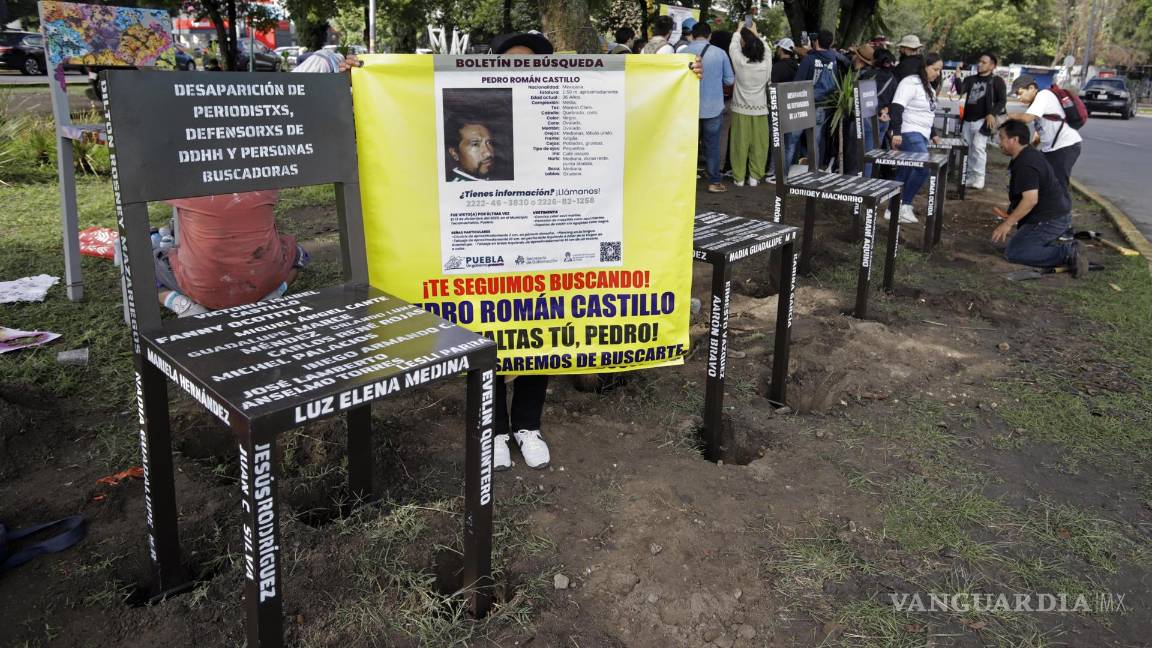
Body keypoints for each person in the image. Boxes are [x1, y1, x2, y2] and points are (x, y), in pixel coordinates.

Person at [991, 120, 1087, 275]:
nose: (998, 141)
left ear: (1014, 140)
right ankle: (1055, 248)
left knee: (1015, 253)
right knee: (1017, 246)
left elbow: (1030, 200)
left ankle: (1068, 252)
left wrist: (1008, 224)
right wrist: (1013, 212)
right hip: (1049, 216)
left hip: (1050, 220)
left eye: (1001, 137)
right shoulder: (1026, 154)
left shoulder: (1026, 164)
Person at [1004, 75, 1082, 195]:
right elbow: (1040, 131)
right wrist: (1031, 148)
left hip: (1065, 146)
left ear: (1031, 88)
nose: (1019, 98)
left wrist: (1007, 116)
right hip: (1051, 149)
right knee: (1042, 178)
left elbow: (1026, 118)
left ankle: (1062, 212)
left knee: (1058, 184)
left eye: (1020, 93)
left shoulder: (1043, 95)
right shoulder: (1036, 103)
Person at [889, 52, 943, 223]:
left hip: (921, 134)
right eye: (935, 69)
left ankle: (892, 210)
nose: (938, 73)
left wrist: (933, 133)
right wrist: (896, 132)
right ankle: (905, 204)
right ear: (925, 66)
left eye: (940, 70)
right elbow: (896, 107)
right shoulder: (910, 82)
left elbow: (927, 112)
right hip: (908, 132)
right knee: (923, 167)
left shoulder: (929, 87)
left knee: (905, 170)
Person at [683, 21, 735, 193]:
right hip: (713, 107)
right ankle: (714, 182)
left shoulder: (682, 53)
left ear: (692, 34)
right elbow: (729, 80)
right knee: (712, 146)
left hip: (687, 108)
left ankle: (684, 182)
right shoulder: (720, 53)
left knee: (687, 145)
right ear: (709, 35)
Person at [795, 29, 849, 169]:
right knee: (816, 142)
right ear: (831, 43)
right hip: (825, 105)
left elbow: (797, 83)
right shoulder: (835, 58)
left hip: (805, 104)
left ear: (816, 41)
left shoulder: (810, 58)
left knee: (792, 140)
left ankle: (783, 175)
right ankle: (814, 172)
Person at [727, 25, 770, 186]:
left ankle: (738, 177)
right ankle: (754, 177)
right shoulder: (766, 65)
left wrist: (738, 30)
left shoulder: (740, 63)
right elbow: (767, 50)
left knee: (739, 143)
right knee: (759, 144)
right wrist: (756, 33)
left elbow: (733, 47)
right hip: (760, 110)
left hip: (740, 110)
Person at [958, 52, 1007, 190]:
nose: (980, 64)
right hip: (968, 119)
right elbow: (959, 90)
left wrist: (992, 113)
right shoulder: (971, 79)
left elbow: (1002, 100)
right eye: (979, 61)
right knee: (967, 149)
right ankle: (969, 176)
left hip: (983, 120)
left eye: (984, 62)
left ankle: (979, 177)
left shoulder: (997, 81)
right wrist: (957, 75)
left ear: (992, 66)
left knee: (978, 148)